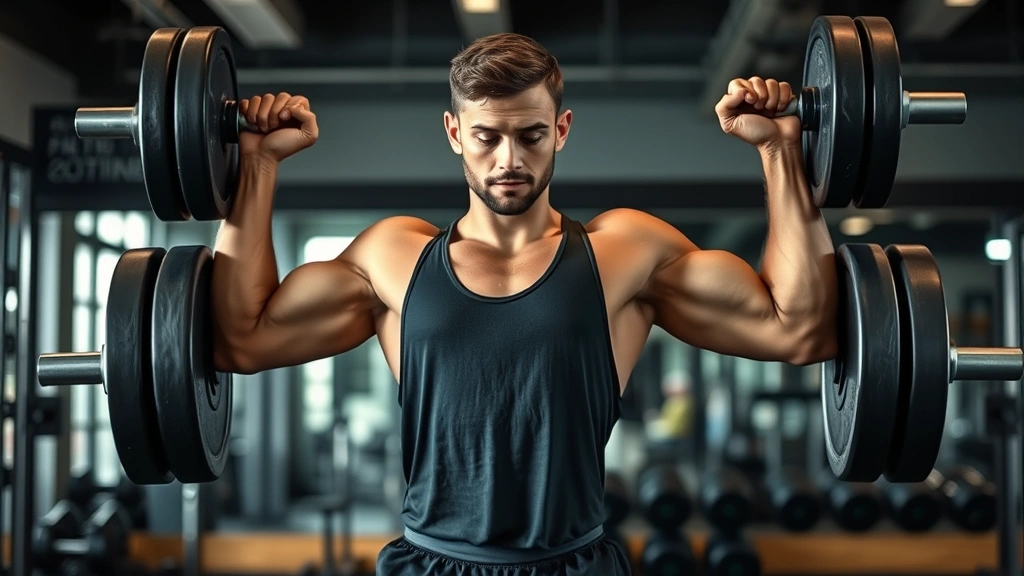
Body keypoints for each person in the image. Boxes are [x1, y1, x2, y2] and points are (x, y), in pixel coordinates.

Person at [211, 32, 838, 576]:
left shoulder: (623, 253)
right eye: (486, 137)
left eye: (531, 135)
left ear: (560, 130)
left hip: (575, 562)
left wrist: (780, 152)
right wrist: (258, 166)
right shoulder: (394, 258)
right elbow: (243, 337)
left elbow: (799, 330)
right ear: (454, 133)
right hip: (431, 564)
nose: (509, 160)